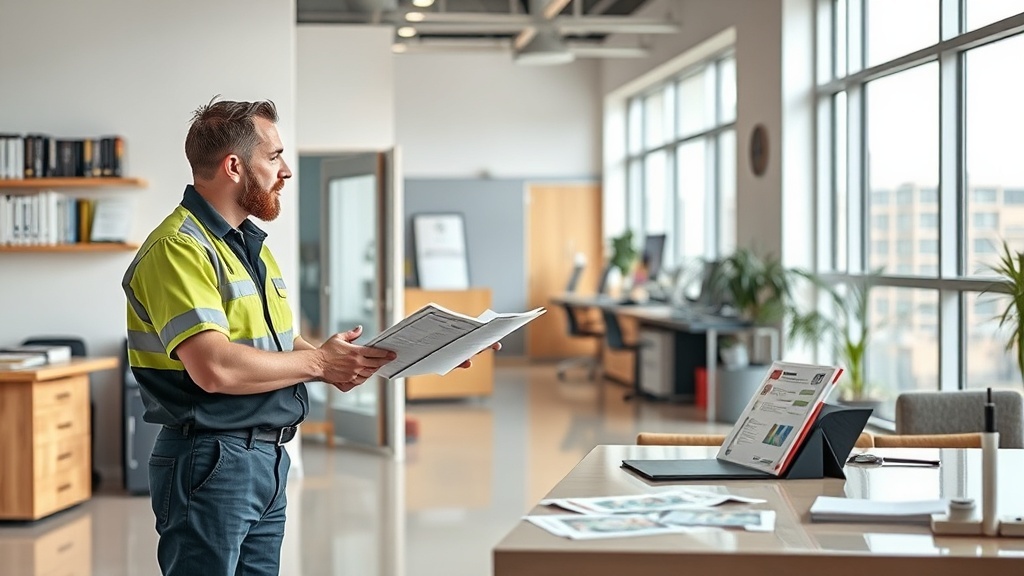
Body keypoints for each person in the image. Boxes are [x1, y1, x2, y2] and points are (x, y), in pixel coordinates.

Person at [122, 98, 495, 576]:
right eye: (274, 156)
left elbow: (282, 349)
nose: (286, 170)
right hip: (211, 459)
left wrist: (433, 348)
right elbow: (214, 367)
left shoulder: (248, 247)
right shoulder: (180, 247)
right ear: (234, 166)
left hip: (265, 460)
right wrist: (321, 364)